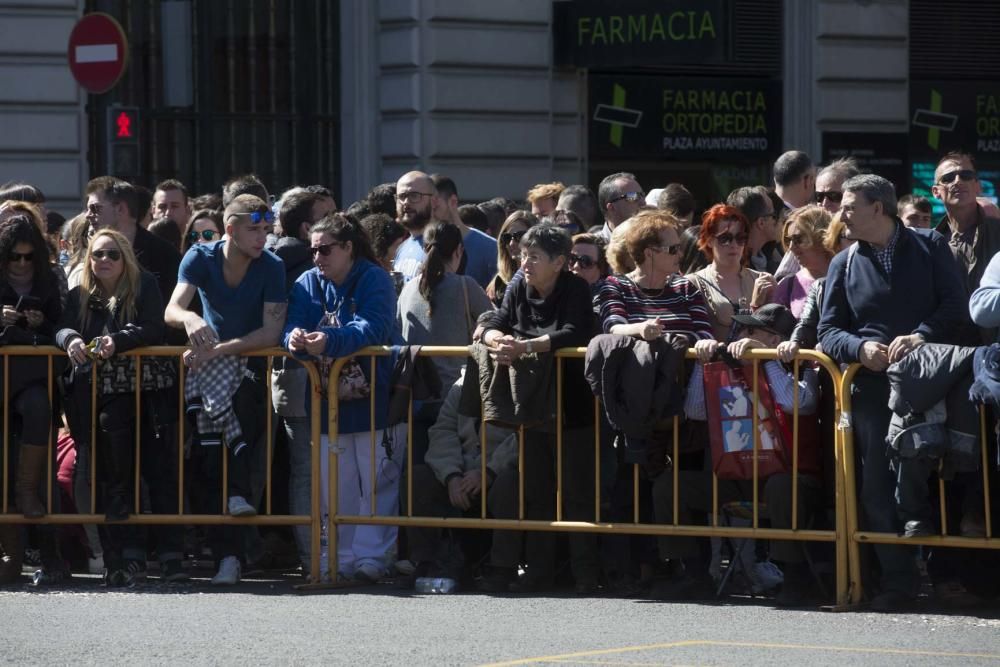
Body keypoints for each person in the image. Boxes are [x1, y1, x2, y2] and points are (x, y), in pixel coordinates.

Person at [818, 174, 967, 611]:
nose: (840, 214)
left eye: (848, 205)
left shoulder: (931, 246)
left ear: (877, 209)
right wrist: (859, 348)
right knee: (876, 489)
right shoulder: (842, 263)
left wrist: (921, 336)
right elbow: (828, 331)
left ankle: (947, 577)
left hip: (930, 383)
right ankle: (898, 583)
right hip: (869, 388)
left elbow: (956, 308)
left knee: (932, 480)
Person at [165, 194, 287, 586]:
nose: (262, 237)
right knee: (208, 458)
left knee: (240, 444)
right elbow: (172, 309)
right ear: (230, 228)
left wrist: (220, 348)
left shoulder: (273, 266)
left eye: (267, 228)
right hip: (208, 366)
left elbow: (271, 332)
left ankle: (236, 551)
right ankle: (227, 555)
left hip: (251, 363)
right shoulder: (200, 257)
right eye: (254, 228)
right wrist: (190, 320)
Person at [56, 229, 184, 585]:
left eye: (112, 254)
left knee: (159, 473)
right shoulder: (81, 291)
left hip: (149, 393)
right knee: (115, 479)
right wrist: (71, 340)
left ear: (125, 256)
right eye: (97, 254)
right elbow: (62, 326)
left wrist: (118, 341)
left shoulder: (144, 284)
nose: (104, 261)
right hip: (104, 397)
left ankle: (172, 555)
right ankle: (124, 558)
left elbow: (154, 328)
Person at [478, 224, 597, 593]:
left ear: (560, 262)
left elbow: (574, 333)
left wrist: (526, 348)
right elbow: (495, 321)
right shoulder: (516, 285)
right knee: (537, 490)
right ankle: (541, 572)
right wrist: (496, 340)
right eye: (523, 255)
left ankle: (585, 575)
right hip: (529, 401)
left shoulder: (576, 288)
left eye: (534, 257)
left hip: (572, 400)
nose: (525, 263)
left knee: (576, 492)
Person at [284, 213, 401, 583]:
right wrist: (295, 340)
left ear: (349, 247)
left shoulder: (374, 277)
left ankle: (373, 559)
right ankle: (340, 556)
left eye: (325, 250)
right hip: (326, 398)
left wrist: (330, 341)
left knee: (377, 479)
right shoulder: (307, 281)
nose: (317, 257)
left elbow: (374, 325)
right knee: (335, 485)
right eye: (313, 250)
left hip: (375, 400)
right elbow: (292, 323)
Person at [408, 372, 519, 591]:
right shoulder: (462, 385)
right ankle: (426, 562)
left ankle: (502, 567)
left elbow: (523, 436)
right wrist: (451, 475)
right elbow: (443, 430)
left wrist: (488, 471)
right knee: (418, 477)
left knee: (511, 483)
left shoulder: (521, 380)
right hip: (461, 472)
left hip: (499, 470)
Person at [0, 214, 66, 583]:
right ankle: (8, 553)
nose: (22, 264)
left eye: (28, 257)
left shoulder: (50, 278)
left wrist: (42, 322)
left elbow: (63, 322)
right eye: (14, 258)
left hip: (32, 378)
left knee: (39, 407)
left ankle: (27, 495)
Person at [397, 221, 493, 463]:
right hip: (455, 398)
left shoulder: (407, 289)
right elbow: (495, 320)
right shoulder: (466, 285)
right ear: (459, 251)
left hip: (415, 396)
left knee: (417, 472)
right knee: (455, 466)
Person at [596, 210, 714, 346]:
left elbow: (706, 334)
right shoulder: (615, 286)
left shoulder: (685, 287)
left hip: (679, 367)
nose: (680, 255)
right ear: (649, 253)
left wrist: (672, 342)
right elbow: (613, 328)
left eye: (679, 247)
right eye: (673, 249)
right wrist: (639, 329)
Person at [687, 205, 775, 350]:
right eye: (725, 238)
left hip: (756, 369)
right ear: (709, 240)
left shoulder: (762, 280)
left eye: (740, 238)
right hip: (716, 369)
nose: (734, 245)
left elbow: (776, 333)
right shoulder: (693, 283)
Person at [431, 174, 498, 288]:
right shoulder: (424, 245)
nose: (430, 215)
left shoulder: (490, 248)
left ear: (452, 202)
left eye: (435, 208)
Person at [772, 206, 833, 319]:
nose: (791, 247)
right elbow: (771, 331)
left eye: (798, 239)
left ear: (820, 237)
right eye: (788, 240)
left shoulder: (848, 278)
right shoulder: (788, 285)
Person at [393, 171, 439, 282]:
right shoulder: (401, 248)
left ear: (434, 201)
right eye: (402, 196)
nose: (406, 202)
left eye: (414, 196)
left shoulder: (444, 246)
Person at [486, 211, 537, 308]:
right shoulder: (498, 284)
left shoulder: (545, 279)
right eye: (507, 237)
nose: (511, 244)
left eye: (519, 236)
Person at [727, 186, 782, 274]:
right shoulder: (735, 268)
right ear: (761, 223)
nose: (777, 220)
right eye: (774, 215)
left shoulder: (770, 257)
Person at [597, 172, 644, 241]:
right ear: (611, 207)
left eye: (642, 195)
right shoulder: (591, 247)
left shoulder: (653, 244)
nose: (643, 202)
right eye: (633, 196)